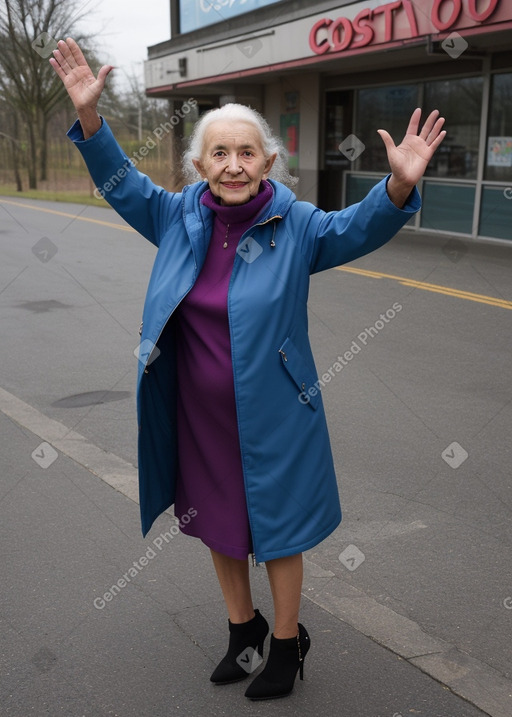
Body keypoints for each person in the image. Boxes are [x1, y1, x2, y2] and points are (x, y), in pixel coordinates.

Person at [50, 38, 446, 701]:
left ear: (267, 160)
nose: (234, 165)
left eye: (247, 152)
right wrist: (92, 121)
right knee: (219, 523)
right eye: (220, 152)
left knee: (280, 531)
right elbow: (121, 184)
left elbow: (358, 227)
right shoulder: (175, 217)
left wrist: (398, 184)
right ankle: (243, 629)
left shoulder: (298, 228)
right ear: (199, 162)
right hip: (200, 415)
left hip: (277, 414)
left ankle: (287, 644)